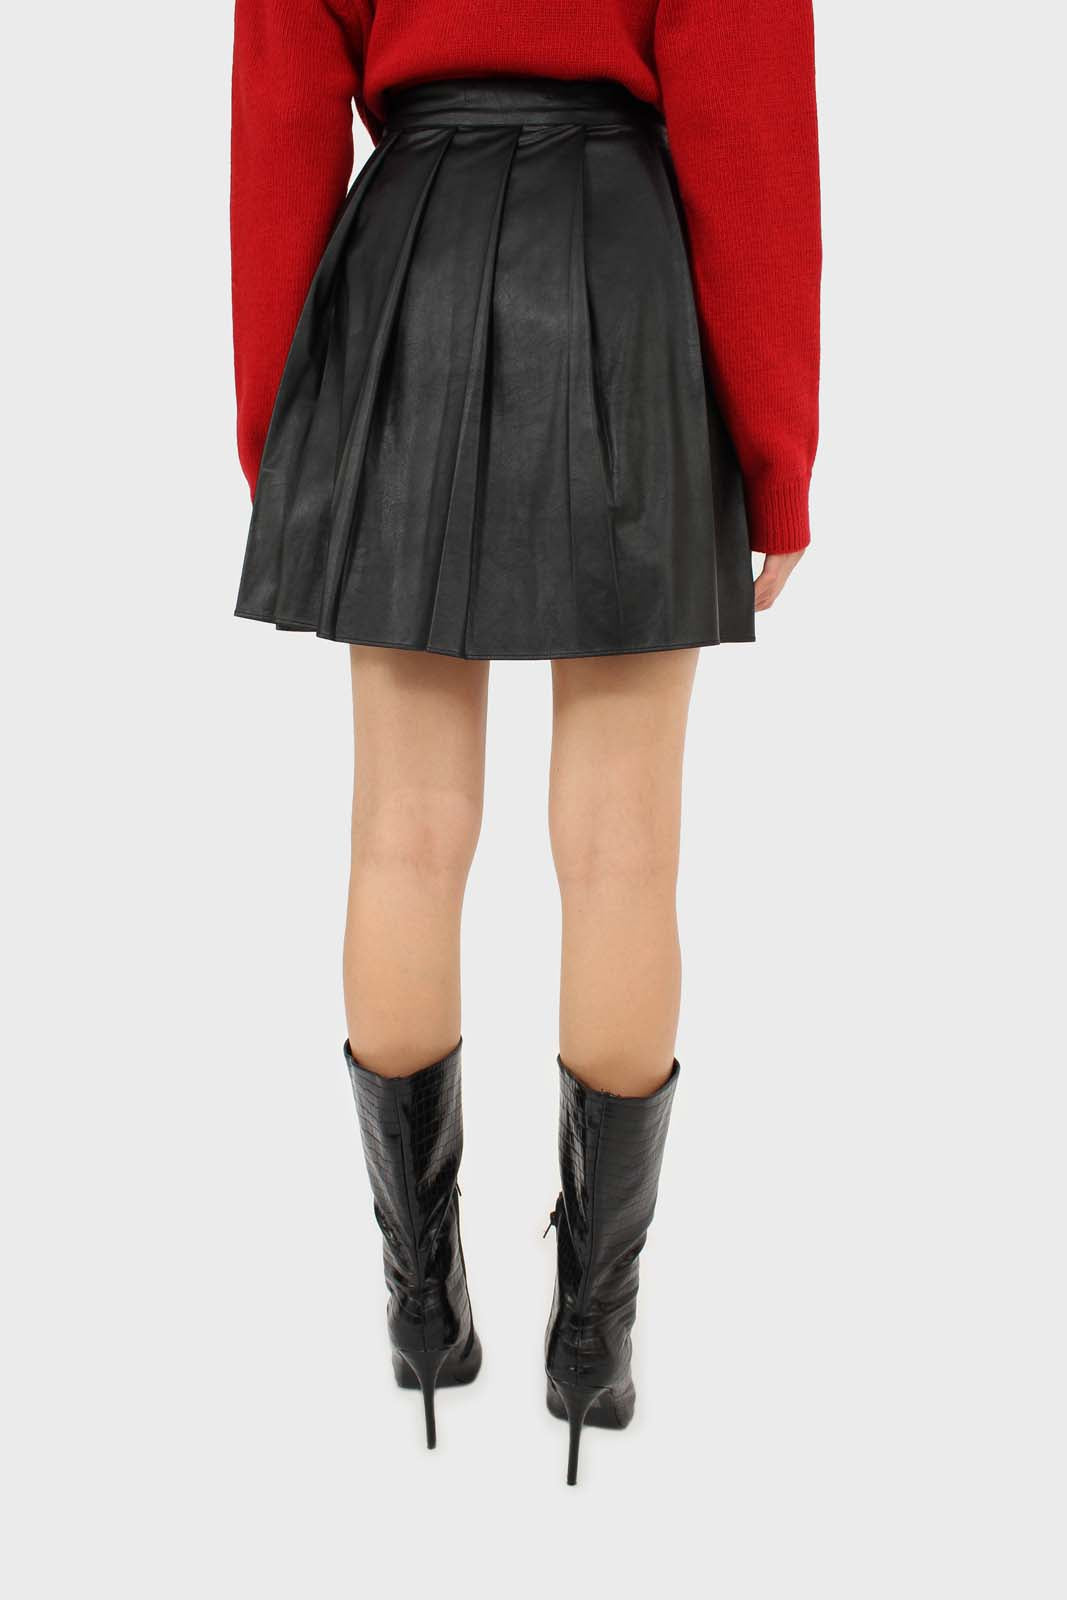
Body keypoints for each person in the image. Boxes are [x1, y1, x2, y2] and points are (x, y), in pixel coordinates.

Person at [230, 0, 820, 1486]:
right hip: (623, 271)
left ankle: (422, 1318)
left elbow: (282, 110)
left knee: (401, 838)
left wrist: (284, 429)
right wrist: (777, 453)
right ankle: (592, 1344)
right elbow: (749, 124)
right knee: (624, 852)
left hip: (406, 273)